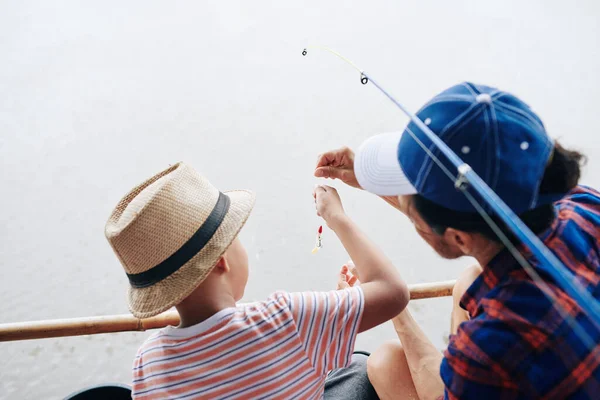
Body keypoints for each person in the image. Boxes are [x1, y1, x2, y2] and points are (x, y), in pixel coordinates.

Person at [315, 82, 600, 399]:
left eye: (408, 197)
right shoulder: (583, 206)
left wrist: (388, 302)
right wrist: (367, 178)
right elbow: (475, 218)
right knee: (464, 287)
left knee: (387, 362)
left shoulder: (490, 346)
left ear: (459, 238)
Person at [104, 162, 409, 399]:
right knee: (358, 368)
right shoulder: (286, 318)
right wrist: (336, 218)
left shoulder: (148, 361)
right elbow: (393, 291)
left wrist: (331, 312)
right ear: (221, 261)